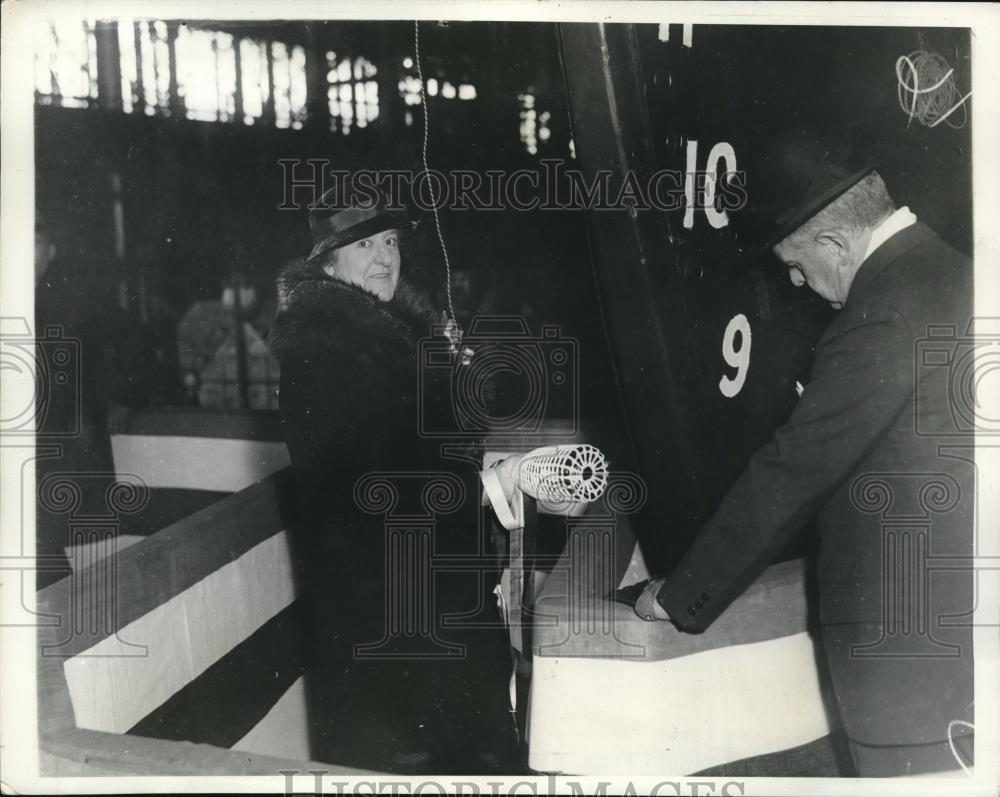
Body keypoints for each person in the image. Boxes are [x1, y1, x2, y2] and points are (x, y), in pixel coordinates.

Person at [631, 129, 974, 777]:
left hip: (907, 659)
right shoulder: (958, 272)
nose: (797, 282)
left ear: (835, 243)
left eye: (797, 264)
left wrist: (681, 595)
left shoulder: (882, 313)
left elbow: (793, 469)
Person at [269, 183, 518, 774]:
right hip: (388, 624)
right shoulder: (319, 352)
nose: (385, 256)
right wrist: (483, 488)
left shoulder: (395, 339)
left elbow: (423, 453)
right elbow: (361, 491)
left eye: (389, 241)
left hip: (437, 605)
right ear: (329, 263)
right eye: (363, 244)